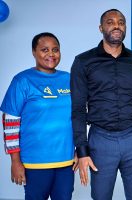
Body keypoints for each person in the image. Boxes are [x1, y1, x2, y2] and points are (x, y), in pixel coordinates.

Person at [70, 9, 132, 200]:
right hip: (101, 140)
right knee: (101, 196)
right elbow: (77, 109)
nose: (117, 25)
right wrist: (82, 150)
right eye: (110, 21)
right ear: (101, 28)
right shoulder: (83, 61)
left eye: (121, 22)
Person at [0, 32, 75, 200]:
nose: (51, 54)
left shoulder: (68, 79)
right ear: (34, 52)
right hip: (35, 162)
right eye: (44, 49)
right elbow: (10, 123)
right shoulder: (22, 80)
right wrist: (15, 161)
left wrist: (79, 150)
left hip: (66, 161)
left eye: (55, 49)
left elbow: (77, 117)